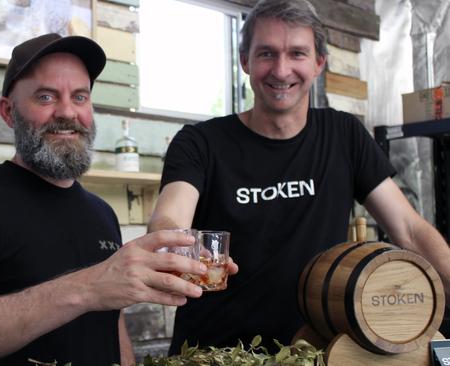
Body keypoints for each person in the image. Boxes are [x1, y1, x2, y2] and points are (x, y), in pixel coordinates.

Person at [148, 0, 450, 355]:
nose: (281, 69)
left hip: (312, 354)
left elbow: (410, 230)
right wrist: (171, 242)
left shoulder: (344, 135)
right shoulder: (200, 142)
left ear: (319, 63)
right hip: (213, 356)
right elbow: (169, 222)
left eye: (297, 53)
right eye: (266, 54)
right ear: (244, 61)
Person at [0, 33, 223, 365]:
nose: (68, 112)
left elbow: (111, 325)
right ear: (8, 112)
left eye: (80, 97)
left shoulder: (101, 213)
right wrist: (89, 287)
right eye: (46, 97)